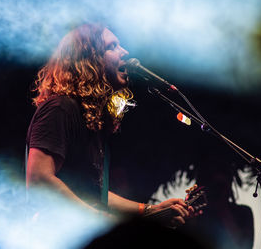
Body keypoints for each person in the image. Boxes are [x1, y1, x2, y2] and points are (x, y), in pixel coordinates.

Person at [25, 23, 193, 227]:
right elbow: (39, 178)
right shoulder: (60, 107)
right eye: (112, 47)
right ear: (88, 60)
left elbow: (97, 196)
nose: (125, 52)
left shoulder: (92, 119)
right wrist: (103, 222)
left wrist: (150, 210)